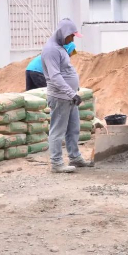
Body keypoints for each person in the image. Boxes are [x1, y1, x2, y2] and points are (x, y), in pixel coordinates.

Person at [43, 18, 93, 173]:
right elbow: (55, 76)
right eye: (71, 36)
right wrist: (71, 93)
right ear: (64, 33)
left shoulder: (60, 47)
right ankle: (57, 163)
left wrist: (73, 93)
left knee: (73, 129)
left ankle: (75, 157)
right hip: (60, 97)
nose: (72, 39)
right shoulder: (51, 50)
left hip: (69, 97)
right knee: (57, 131)